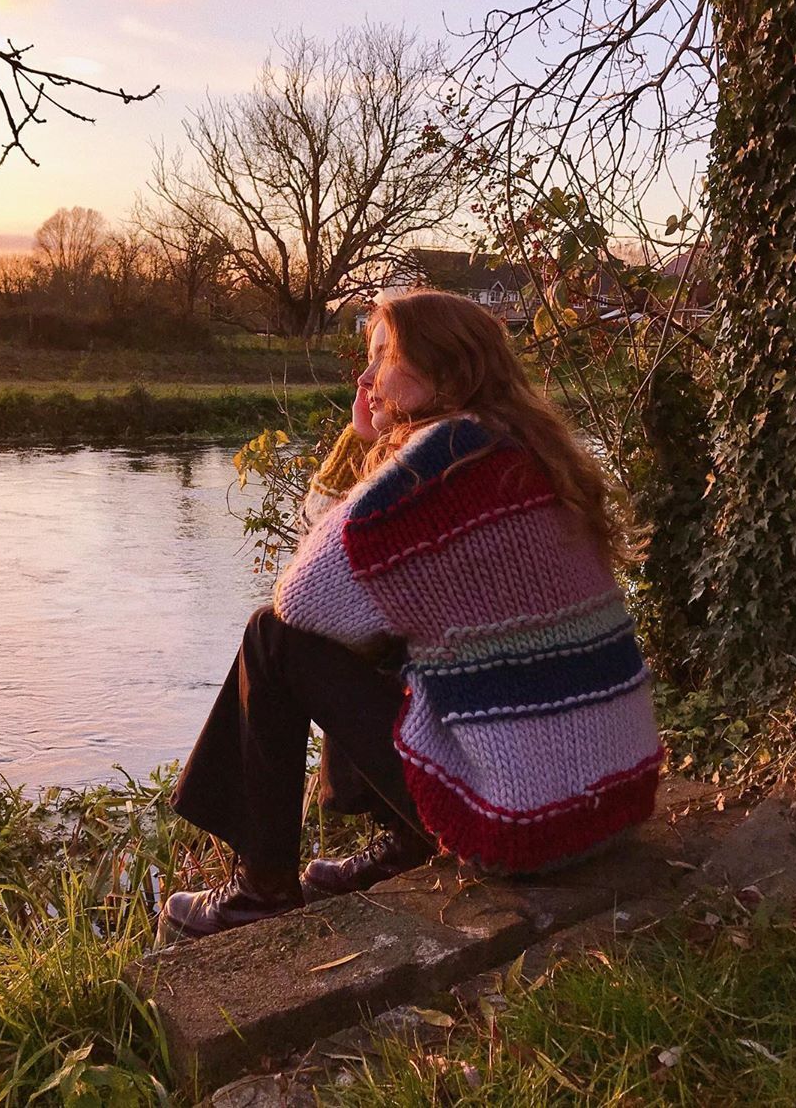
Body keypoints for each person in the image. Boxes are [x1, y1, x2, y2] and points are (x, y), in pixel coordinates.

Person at [157, 290, 661, 944]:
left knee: (272, 639)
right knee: (382, 625)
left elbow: (300, 600)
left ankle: (262, 888)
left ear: (444, 374)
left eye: (382, 358)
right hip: (610, 801)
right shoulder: (515, 449)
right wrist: (373, 441)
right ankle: (403, 842)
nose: (364, 379)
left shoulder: (441, 461)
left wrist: (358, 446)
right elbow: (354, 591)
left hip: (526, 825)